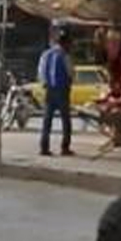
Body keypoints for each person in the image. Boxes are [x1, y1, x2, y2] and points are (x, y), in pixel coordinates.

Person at [37, 28, 74, 157]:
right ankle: (65, 147)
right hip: (62, 90)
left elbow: (41, 72)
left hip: (50, 91)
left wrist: (45, 84)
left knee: (47, 120)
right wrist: (70, 82)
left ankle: (44, 147)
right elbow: (70, 72)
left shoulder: (46, 54)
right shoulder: (65, 55)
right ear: (65, 43)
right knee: (66, 120)